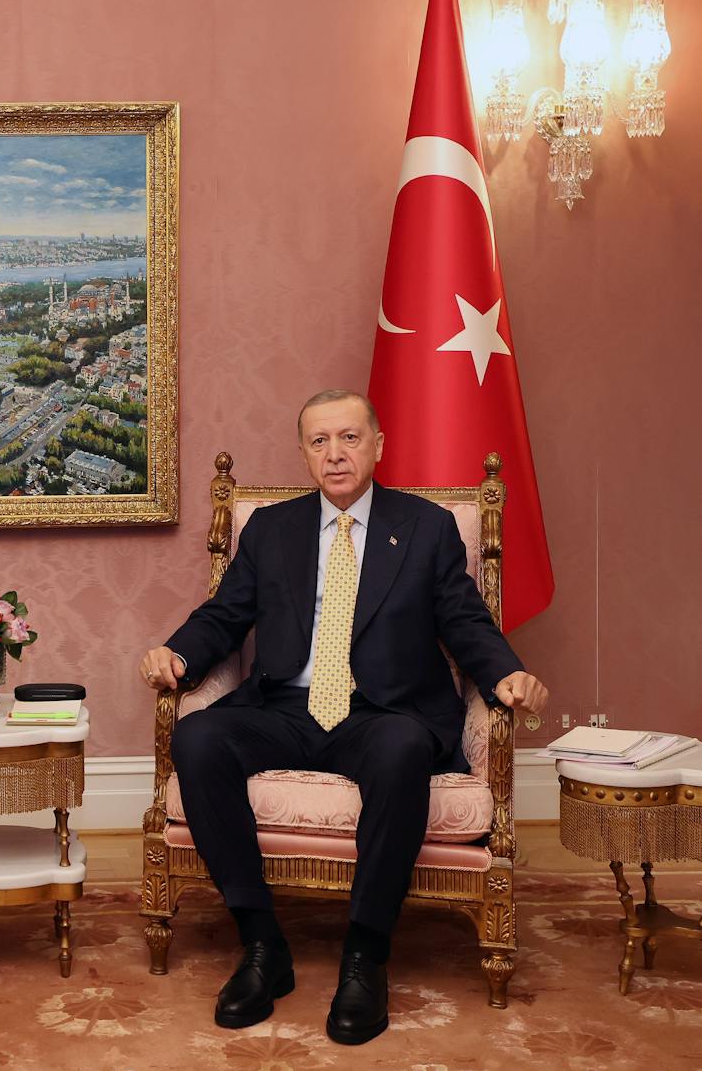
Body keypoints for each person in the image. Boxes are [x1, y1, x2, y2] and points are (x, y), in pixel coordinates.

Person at [139, 390, 547, 1046]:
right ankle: (263, 944)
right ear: (304, 453)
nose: (335, 454)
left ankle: (366, 953)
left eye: (349, 438)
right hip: (286, 708)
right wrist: (177, 654)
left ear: (378, 445)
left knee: (402, 749)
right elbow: (224, 615)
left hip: (384, 712)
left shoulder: (426, 527)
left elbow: (465, 620)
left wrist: (505, 674)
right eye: (320, 441)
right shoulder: (270, 529)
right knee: (199, 736)